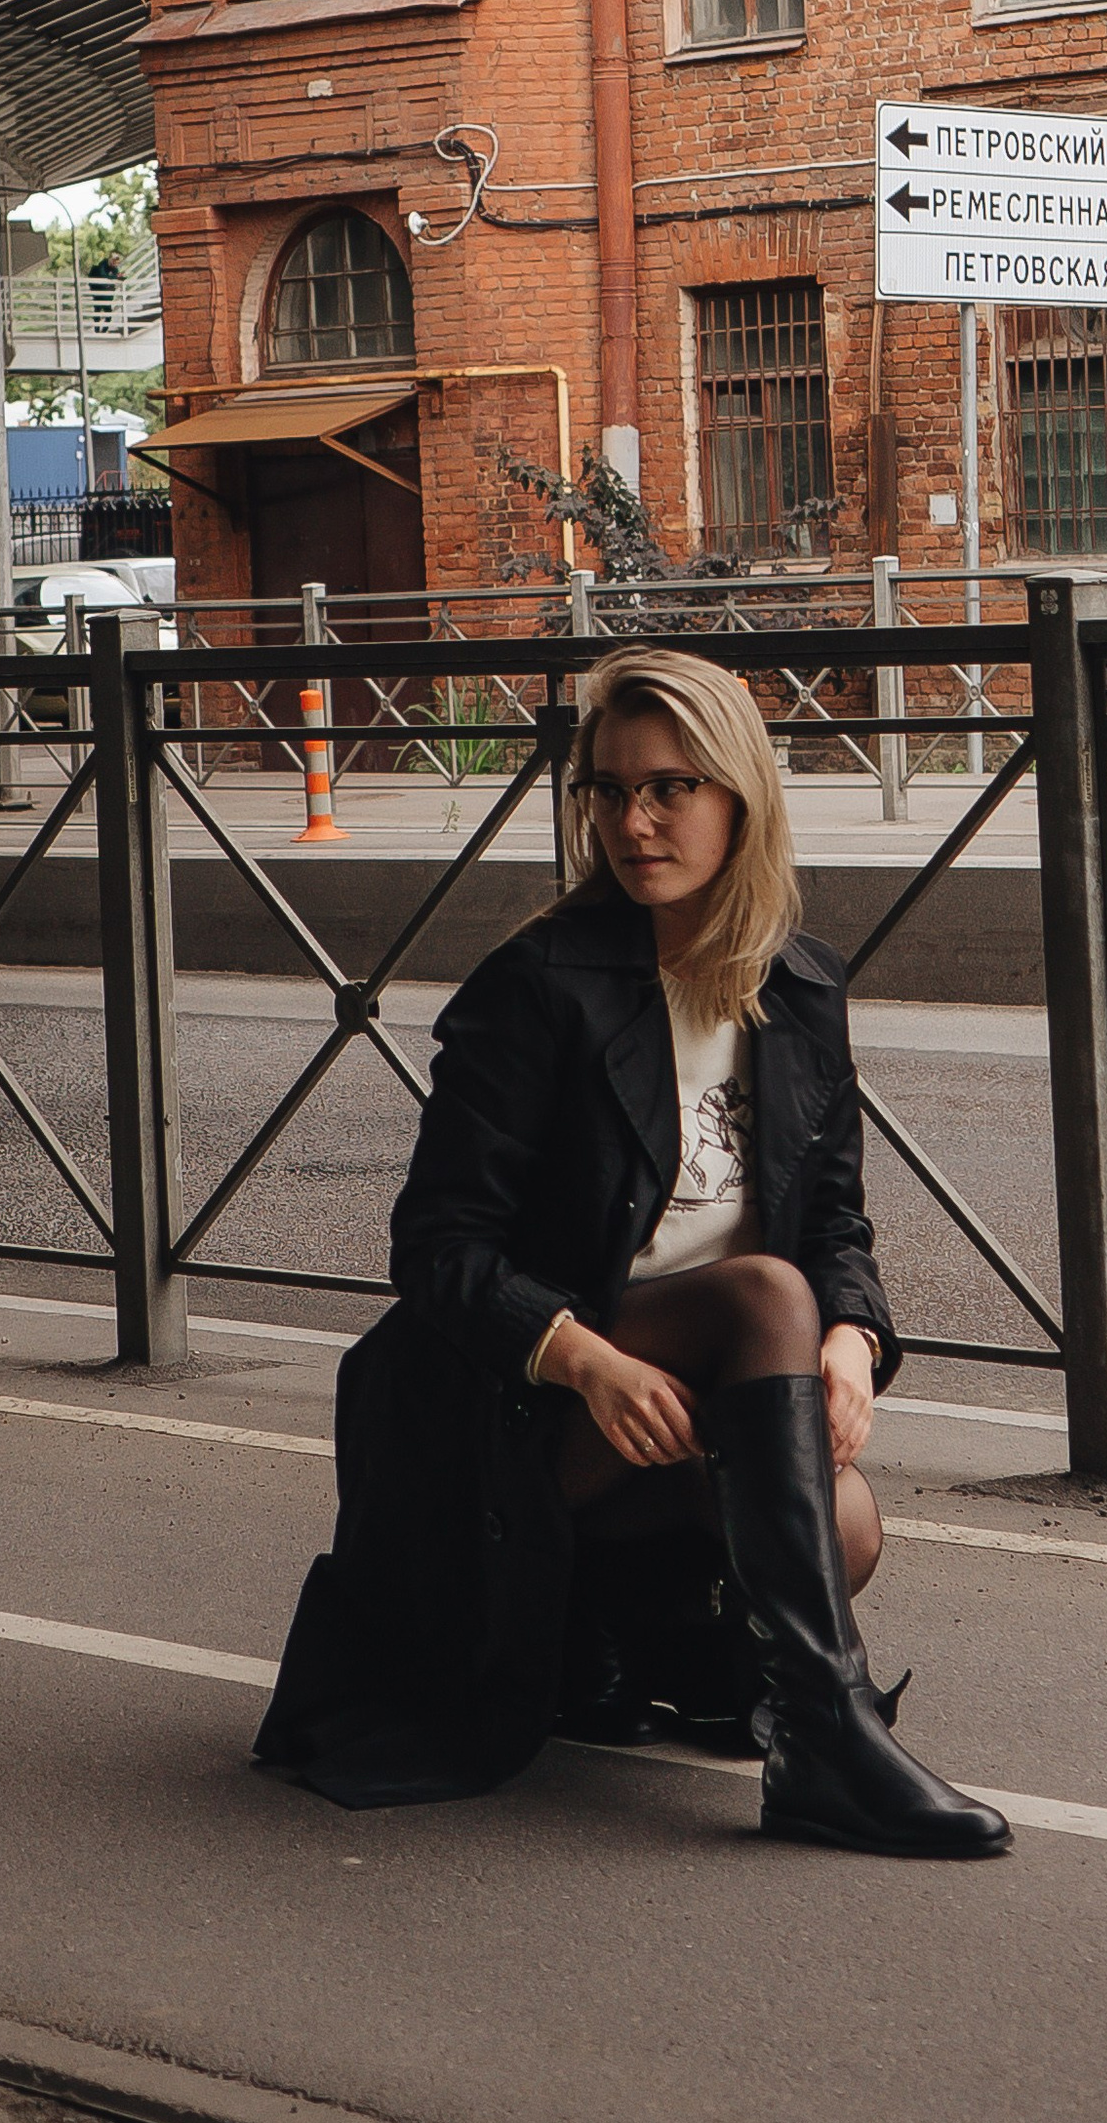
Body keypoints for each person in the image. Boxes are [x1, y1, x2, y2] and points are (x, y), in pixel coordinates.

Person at [255, 643, 1009, 1859]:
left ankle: (606, 1634)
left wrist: (857, 1340)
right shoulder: (538, 987)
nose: (632, 819)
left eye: (669, 787)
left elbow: (834, 1223)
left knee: (850, 1521)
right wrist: (583, 1361)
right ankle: (824, 1739)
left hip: (680, 1408)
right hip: (501, 1414)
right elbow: (437, 1249)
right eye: (607, 789)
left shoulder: (801, 990)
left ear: (740, 799)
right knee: (764, 1297)